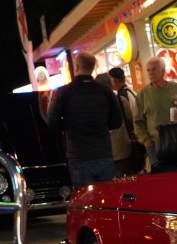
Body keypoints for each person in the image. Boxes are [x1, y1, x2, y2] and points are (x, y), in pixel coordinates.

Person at [47, 52, 123, 187]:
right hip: (103, 153)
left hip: (78, 155)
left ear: (76, 67)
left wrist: (70, 125)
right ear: (93, 68)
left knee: (85, 197)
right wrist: (101, 124)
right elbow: (117, 121)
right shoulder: (105, 91)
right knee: (106, 194)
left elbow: (52, 122)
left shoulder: (65, 92)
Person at [133, 56, 177, 171]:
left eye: (154, 69)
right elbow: (138, 122)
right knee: (161, 177)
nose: (150, 73)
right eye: (148, 70)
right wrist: (147, 142)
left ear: (163, 71)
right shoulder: (142, 94)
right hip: (156, 145)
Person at [108, 67, 142, 175]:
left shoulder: (121, 96)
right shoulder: (131, 91)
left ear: (114, 81)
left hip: (128, 144)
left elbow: (129, 120)